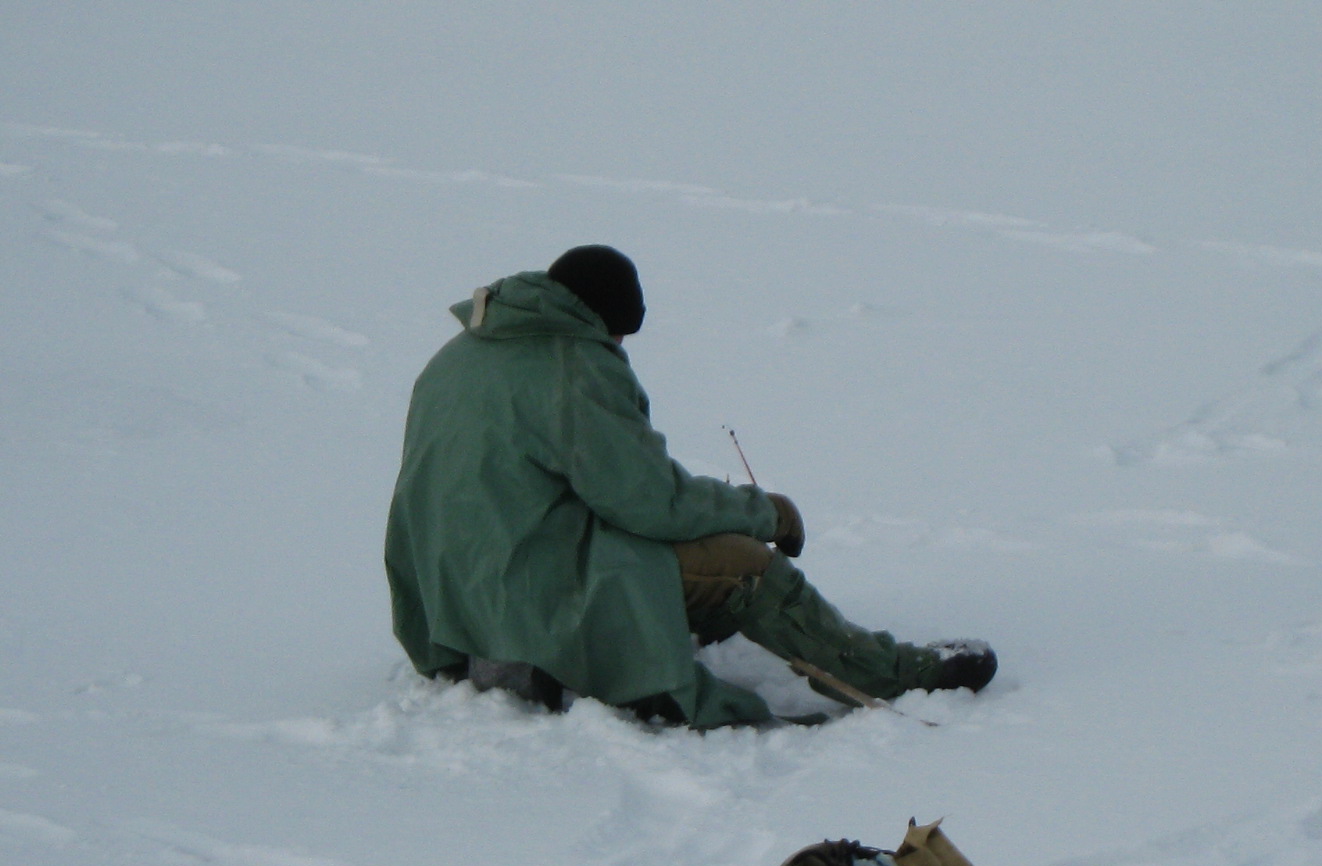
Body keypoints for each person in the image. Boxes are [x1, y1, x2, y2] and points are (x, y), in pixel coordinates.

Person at [384, 245, 997, 728]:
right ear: (605, 319)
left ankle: (638, 634)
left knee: (682, 550)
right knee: (748, 568)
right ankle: (895, 673)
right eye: (622, 334)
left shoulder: (460, 354)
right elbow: (653, 503)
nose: (620, 348)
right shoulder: (573, 366)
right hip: (533, 589)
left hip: (453, 598)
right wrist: (767, 515)